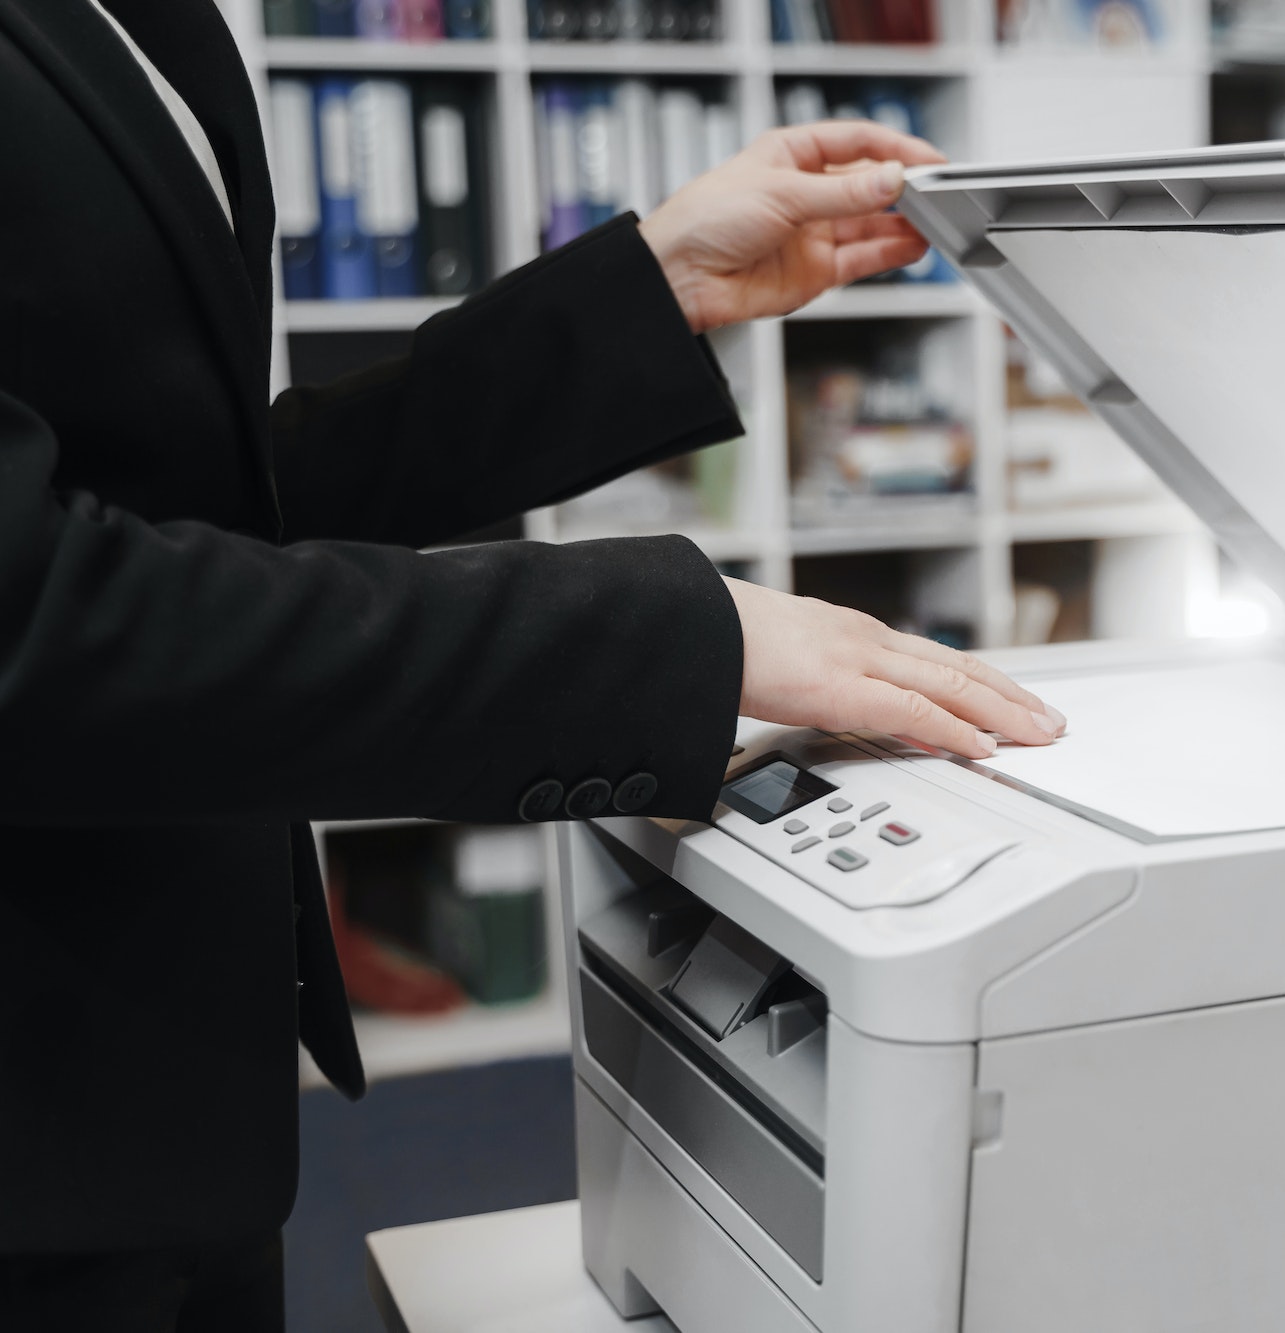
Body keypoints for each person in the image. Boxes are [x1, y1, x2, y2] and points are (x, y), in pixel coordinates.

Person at [0, 1, 1064, 1326]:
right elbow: (35, 621)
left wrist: (651, 288)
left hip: (162, 1092)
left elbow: (195, 495)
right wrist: (673, 637)